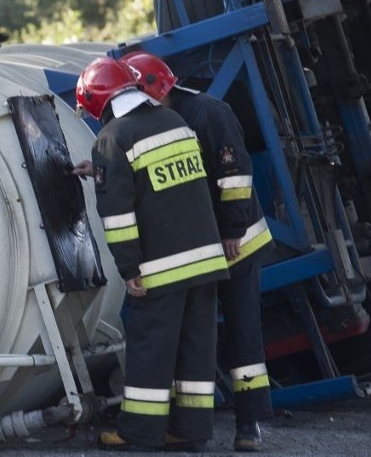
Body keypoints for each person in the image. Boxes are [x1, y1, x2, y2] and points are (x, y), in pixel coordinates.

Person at [121, 51, 274, 452]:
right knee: (195, 337)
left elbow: (236, 176)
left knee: (243, 332)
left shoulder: (209, 113)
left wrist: (233, 231)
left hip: (237, 242)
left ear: (155, 89)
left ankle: (249, 423)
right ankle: (189, 427)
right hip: (202, 248)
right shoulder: (158, 121)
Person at [75, 57, 229, 452]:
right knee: (196, 348)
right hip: (206, 259)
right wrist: (99, 170)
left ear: (98, 101)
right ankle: (190, 429)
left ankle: (138, 432)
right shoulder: (174, 122)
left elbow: (120, 215)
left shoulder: (112, 138)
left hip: (161, 267)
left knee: (150, 350)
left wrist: (129, 268)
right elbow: (161, 184)